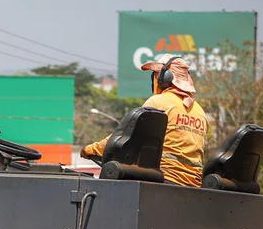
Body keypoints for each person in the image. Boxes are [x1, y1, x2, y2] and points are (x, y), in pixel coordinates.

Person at [81, 56, 209, 187]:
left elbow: (123, 137)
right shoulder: (200, 112)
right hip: (194, 186)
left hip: (165, 179)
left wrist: (91, 149)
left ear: (165, 78)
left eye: (155, 75)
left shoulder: (158, 102)